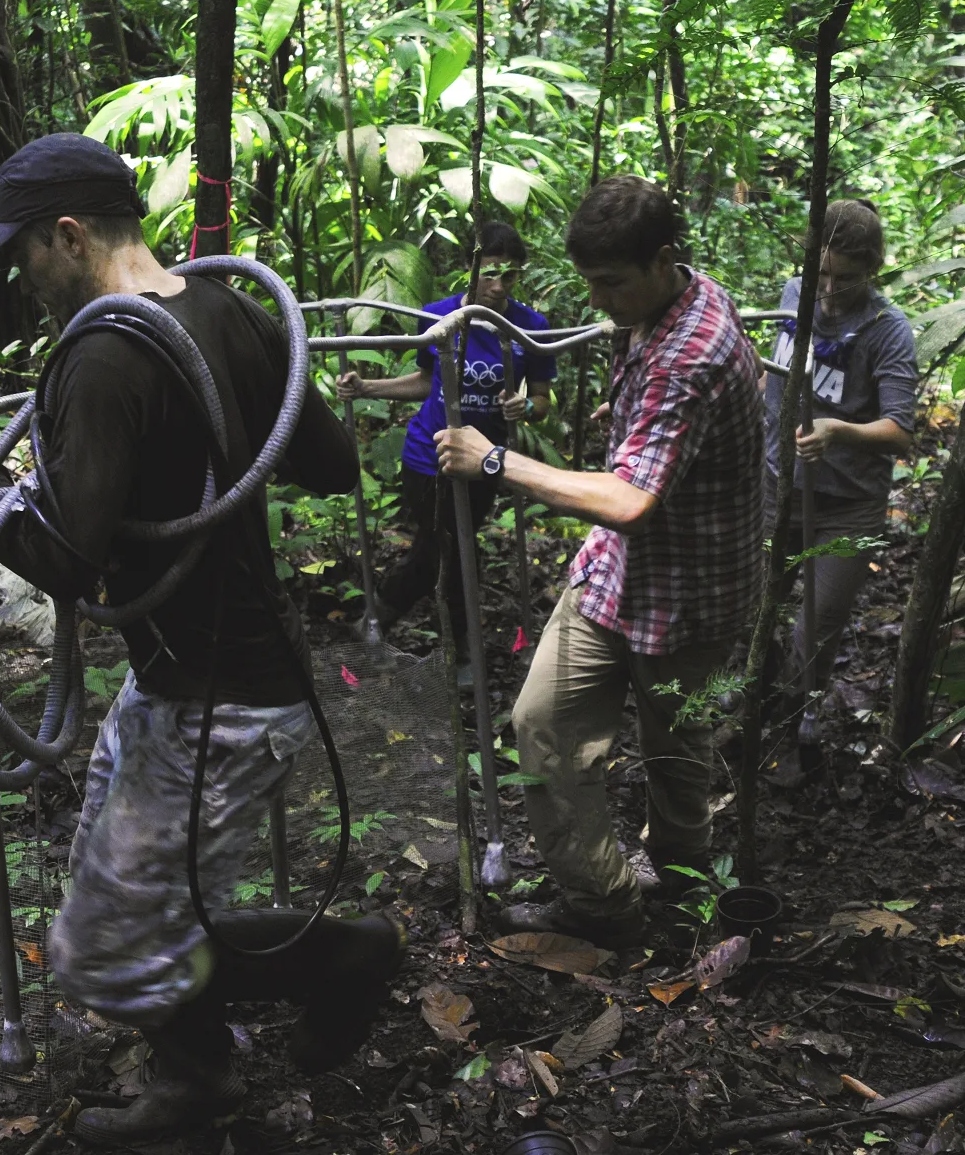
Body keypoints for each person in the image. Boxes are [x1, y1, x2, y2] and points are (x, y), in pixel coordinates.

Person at [0, 133, 405, 1147]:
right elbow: (324, 462)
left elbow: (61, 559)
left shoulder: (103, 356)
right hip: (201, 675)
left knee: (106, 951)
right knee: (120, 917)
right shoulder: (219, 309)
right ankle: (195, 1071)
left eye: (24, 253)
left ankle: (330, 973)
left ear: (69, 234)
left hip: (216, 703)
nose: (20, 277)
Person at [433, 177, 763, 949]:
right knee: (542, 723)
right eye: (591, 284)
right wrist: (629, 411)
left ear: (665, 260)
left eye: (612, 283)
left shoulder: (693, 352)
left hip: (692, 593)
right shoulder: (671, 302)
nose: (602, 300)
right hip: (616, 578)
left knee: (678, 753)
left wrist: (492, 462)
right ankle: (603, 906)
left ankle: (683, 899)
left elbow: (628, 502)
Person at [335, 222, 553, 664]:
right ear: (470, 270)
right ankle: (458, 650)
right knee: (450, 549)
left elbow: (544, 400)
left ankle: (380, 621)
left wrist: (524, 408)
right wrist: (367, 389)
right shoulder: (438, 316)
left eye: (507, 276)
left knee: (447, 549)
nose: (496, 285)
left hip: (485, 460)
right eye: (488, 273)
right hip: (427, 453)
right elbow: (426, 381)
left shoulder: (532, 327)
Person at [764, 198, 916, 712]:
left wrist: (837, 429)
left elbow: (899, 431)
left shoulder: (886, 330)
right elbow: (769, 377)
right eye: (821, 274)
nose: (829, 291)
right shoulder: (793, 296)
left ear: (872, 269)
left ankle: (794, 720)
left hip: (847, 505)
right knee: (753, 606)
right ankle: (749, 703)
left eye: (845, 279)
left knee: (818, 625)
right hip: (774, 485)